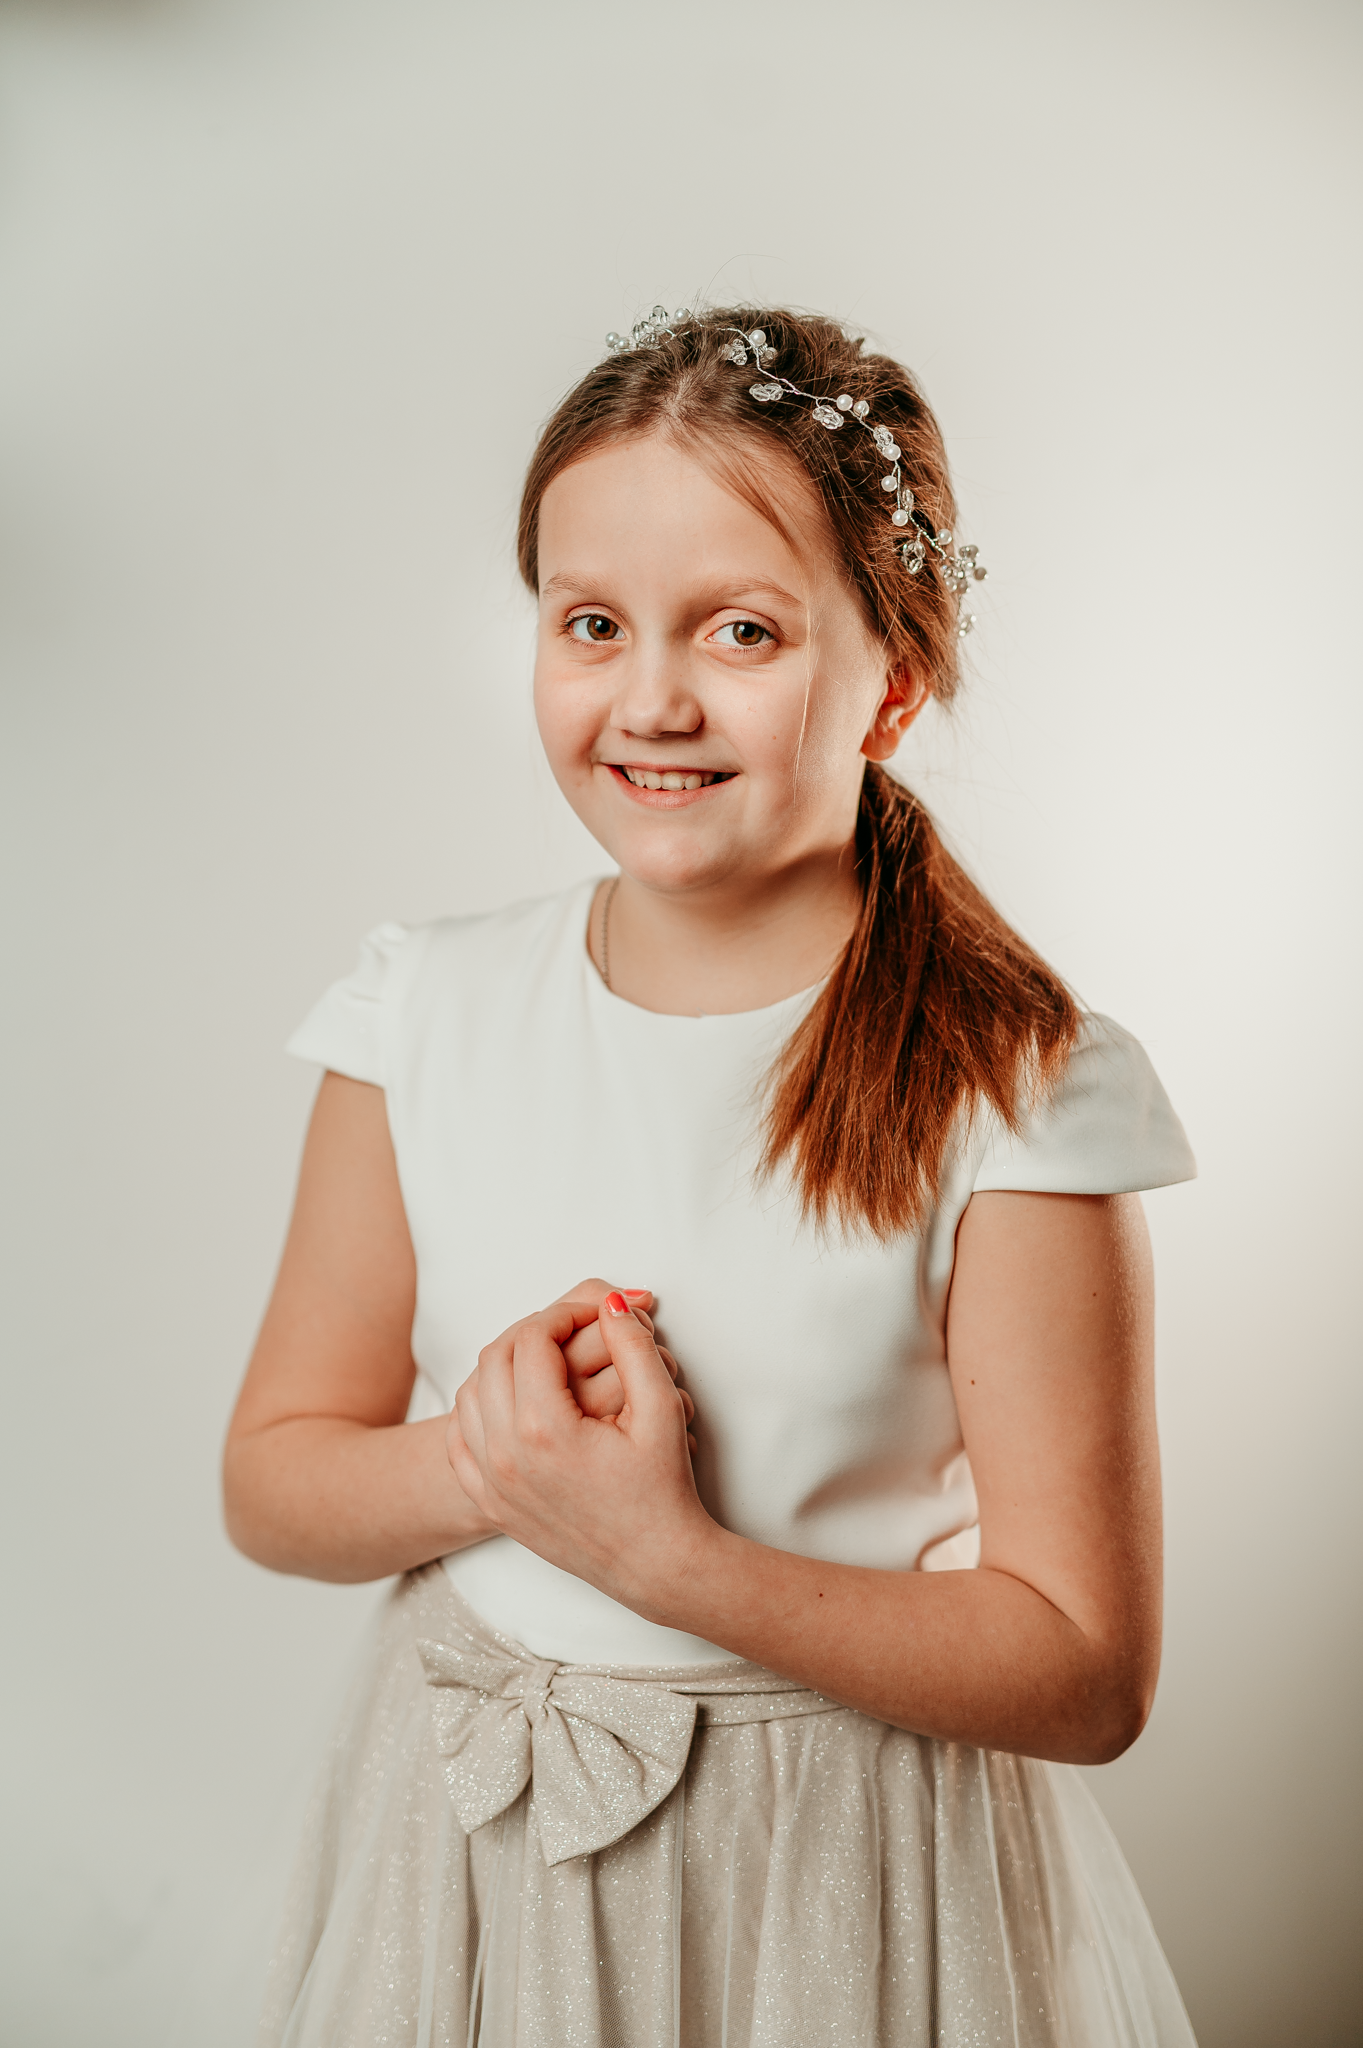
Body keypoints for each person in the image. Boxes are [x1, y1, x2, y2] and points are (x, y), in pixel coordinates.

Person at [225, 304, 1199, 2047]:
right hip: (469, 1838)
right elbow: (275, 1482)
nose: (651, 699)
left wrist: (661, 1557)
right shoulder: (418, 1013)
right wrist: (488, 1461)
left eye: (742, 630)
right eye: (591, 623)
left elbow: (1082, 1670)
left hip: (833, 1873)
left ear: (891, 681)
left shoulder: (1019, 1089)